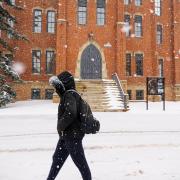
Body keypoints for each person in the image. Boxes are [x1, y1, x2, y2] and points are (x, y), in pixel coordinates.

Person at [47, 71, 92, 180]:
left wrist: (60, 126)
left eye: (57, 85)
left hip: (72, 136)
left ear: (64, 84)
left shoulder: (69, 94)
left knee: (81, 164)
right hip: (66, 136)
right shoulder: (72, 94)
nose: (56, 88)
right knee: (57, 159)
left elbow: (71, 113)